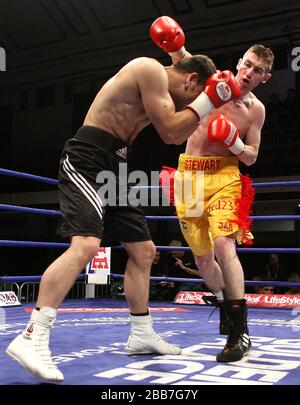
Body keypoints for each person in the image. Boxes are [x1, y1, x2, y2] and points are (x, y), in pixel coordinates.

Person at [6, 17, 241, 382]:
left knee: (144, 250)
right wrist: (210, 100)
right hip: (88, 154)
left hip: (116, 164)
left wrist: (203, 90)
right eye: (194, 95)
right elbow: (170, 132)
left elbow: (180, 120)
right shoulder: (148, 69)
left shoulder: (171, 88)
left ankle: (141, 332)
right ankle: (33, 333)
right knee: (85, 243)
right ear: (190, 81)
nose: (192, 105)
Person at [157, 35, 274, 362]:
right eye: (248, 64)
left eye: (258, 70)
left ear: (265, 78)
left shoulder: (256, 111)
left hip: (226, 177)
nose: (250, 72)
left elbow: (251, 156)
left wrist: (234, 141)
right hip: (189, 177)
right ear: (239, 62)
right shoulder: (214, 83)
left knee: (225, 244)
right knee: (204, 260)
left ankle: (240, 332)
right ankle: (225, 302)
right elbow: (183, 59)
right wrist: (171, 42)